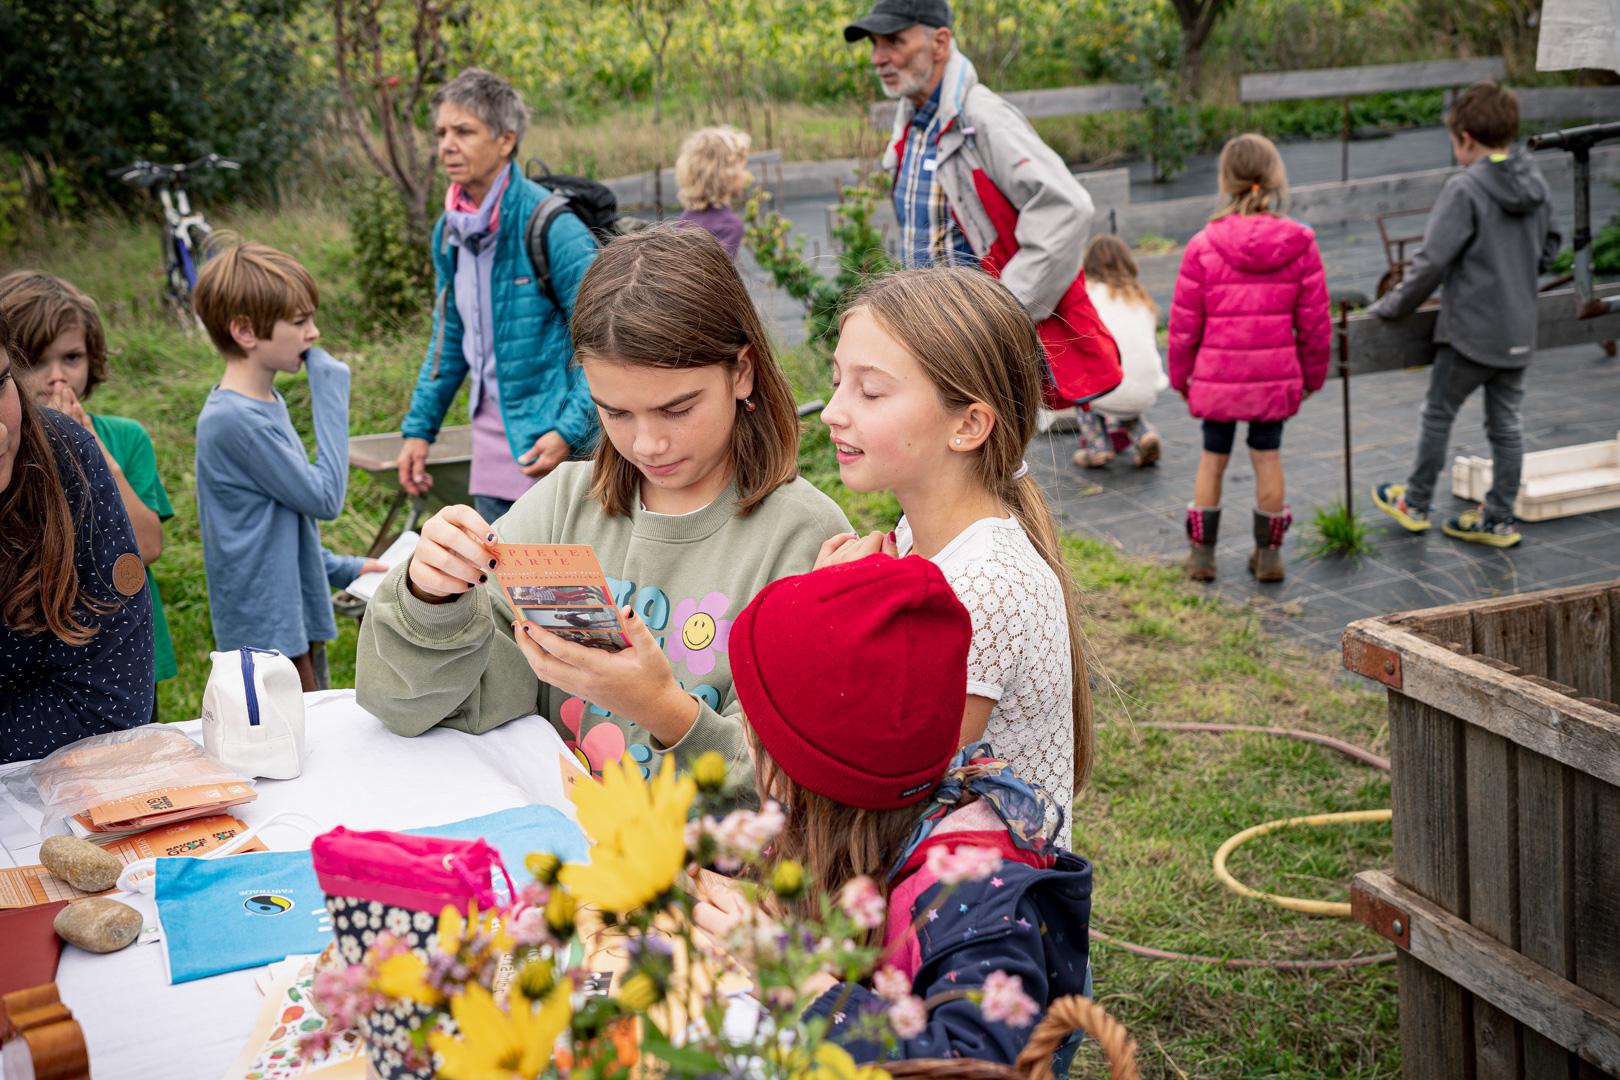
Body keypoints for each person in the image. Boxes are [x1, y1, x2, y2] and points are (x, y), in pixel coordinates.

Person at [356, 227, 851, 788]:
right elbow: (411, 705)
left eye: (677, 409)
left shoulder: (805, 539)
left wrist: (663, 710)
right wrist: (430, 599)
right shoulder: (560, 508)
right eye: (615, 413)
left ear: (741, 372)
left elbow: (800, 789)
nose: (648, 444)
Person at [693, 554, 1093, 1069]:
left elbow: (979, 1064)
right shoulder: (832, 816)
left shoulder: (972, 895)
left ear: (794, 772)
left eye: (755, 730)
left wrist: (796, 980)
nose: (747, 741)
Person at [817, 267, 1089, 837]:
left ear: (968, 425)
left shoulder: (983, 589)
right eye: (838, 380)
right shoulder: (922, 535)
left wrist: (830, 615)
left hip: (968, 889)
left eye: (870, 392)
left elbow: (888, 788)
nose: (832, 411)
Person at [843, 0, 1120, 412]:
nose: (878, 58)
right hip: (935, 342)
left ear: (940, 43)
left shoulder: (983, 118)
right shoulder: (915, 123)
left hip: (975, 347)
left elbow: (1067, 208)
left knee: (985, 445)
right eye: (874, 45)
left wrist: (1001, 313)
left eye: (894, 42)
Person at [397, 68, 601, 524]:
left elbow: (608, 340)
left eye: (464, 131)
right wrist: (419, 430)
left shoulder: (552, 228)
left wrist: (569, 431)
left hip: (559, 456)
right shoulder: (450, 232)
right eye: (441, 133)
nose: (447, 145)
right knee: (499, 570)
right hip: (492, 455)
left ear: (506, 140)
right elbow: (449, 339)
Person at [1370, 82, 1560, 549]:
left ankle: (1415, 503)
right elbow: (1551, 245)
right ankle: (1498, 520)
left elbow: (1431, 263)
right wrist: (1518, 270)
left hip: (1470, 333)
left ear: (1467, 139)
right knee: (1506, 425)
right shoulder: (1534, 181)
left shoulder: (1465, 189)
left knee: (1438, 413)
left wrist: (1391, 306)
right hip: (1518, 330)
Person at [192, 241, 383, 692]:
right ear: (245, 331)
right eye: (299, 322)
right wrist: (331, 394)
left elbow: (275, 528)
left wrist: (348, 568)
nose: (313, 334)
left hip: (287, 615)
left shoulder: (263, 404)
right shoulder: (233, 420)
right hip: (267, 631)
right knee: (291, 732)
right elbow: (325, 498)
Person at [0, 272, 177, 713]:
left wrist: (94, 453)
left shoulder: (126, 437)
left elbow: (149, 545)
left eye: (72, 358)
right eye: (36, 361)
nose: (57, 377)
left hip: (124, 648)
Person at [1167, 133, 1331, 584]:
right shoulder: (1301, 244)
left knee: (1212, 459)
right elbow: (1315, 324)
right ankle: (1270, 557)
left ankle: (1202, 557)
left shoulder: (1203, 245)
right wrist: (1312, 377)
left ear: (1226, 179)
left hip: (1217, 379)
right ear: (1274, 176)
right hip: (1273, 379)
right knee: (1267, 458)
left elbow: (1183, 326)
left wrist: (1181, 378)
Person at [1071, 235, 1169, 470]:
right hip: (1146, 389)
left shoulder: (1087, 294)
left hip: (1108, 388)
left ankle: (1097, 447)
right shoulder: (1140, 296)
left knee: (1084, 389)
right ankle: (1144, 435)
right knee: (1123, 399)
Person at [675, 125, 752, 260]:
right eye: (743, 168)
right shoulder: (729, 226)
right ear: (728, 175)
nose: (745, 174)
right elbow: (714, 273)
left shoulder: (686, 218)